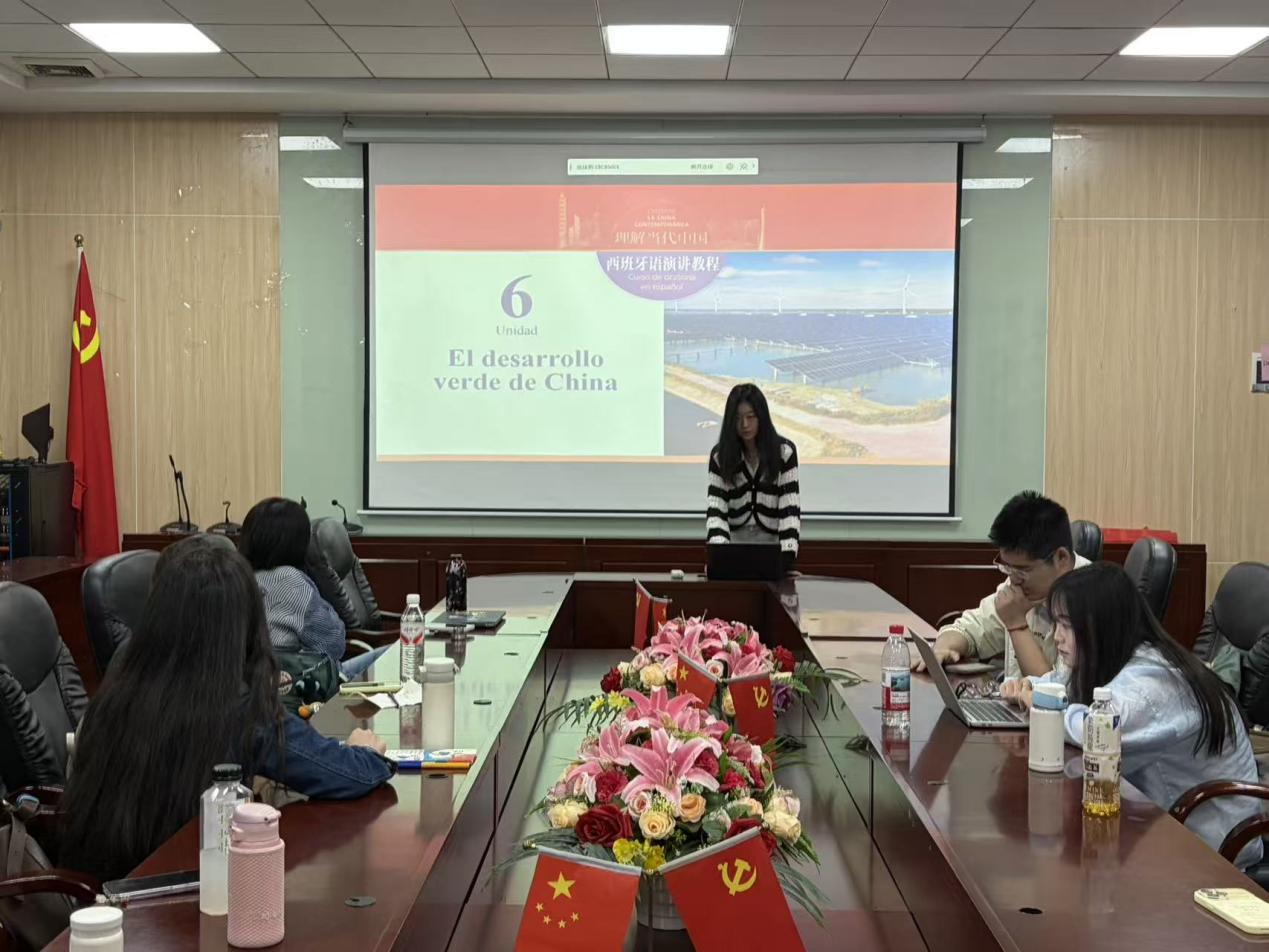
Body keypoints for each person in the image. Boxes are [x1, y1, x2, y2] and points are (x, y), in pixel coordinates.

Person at [59, 535, 394, 883]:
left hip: (101, 893)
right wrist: (365, 752)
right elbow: (347, 774)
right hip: (188, 893)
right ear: (245, 621)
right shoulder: (238, 706)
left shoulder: (121, 672)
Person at [1002, 562, 1262, 868]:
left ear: (1102, 626)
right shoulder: (1113, 657)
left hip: (1209, 845)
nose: (1057, 636)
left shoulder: (1155, 681)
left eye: (1067, 625)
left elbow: (1099, 730)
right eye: (1056, 623)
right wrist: (1029, 687)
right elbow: (1061, 685)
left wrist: (1041, 704)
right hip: (1159, 825)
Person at [915, 491, 1087, 679]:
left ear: (1061, 558)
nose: (1013, 580)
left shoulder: (1093, 601)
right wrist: (943, 648)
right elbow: (971, 628)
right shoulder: (1023, 588)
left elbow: (1056, 691)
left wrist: (1017, 624)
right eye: (1008, 568)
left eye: (1022, 570)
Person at [706, 382, 801, 573]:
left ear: (762, 417)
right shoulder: (719, 456)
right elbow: (716, 510)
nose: (745, 425)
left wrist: (785, 559)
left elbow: (789, 510)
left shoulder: (785, 452)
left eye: (751, 417)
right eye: (738, 418)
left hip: (773, 551)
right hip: (732, 549)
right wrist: (721, 554)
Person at [240, 496, 345, 665]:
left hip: (251, 678)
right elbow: (334, 644)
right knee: (388, 656)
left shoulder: (238, 576)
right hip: (299, 677)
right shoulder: (290, 581)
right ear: (297, 542)